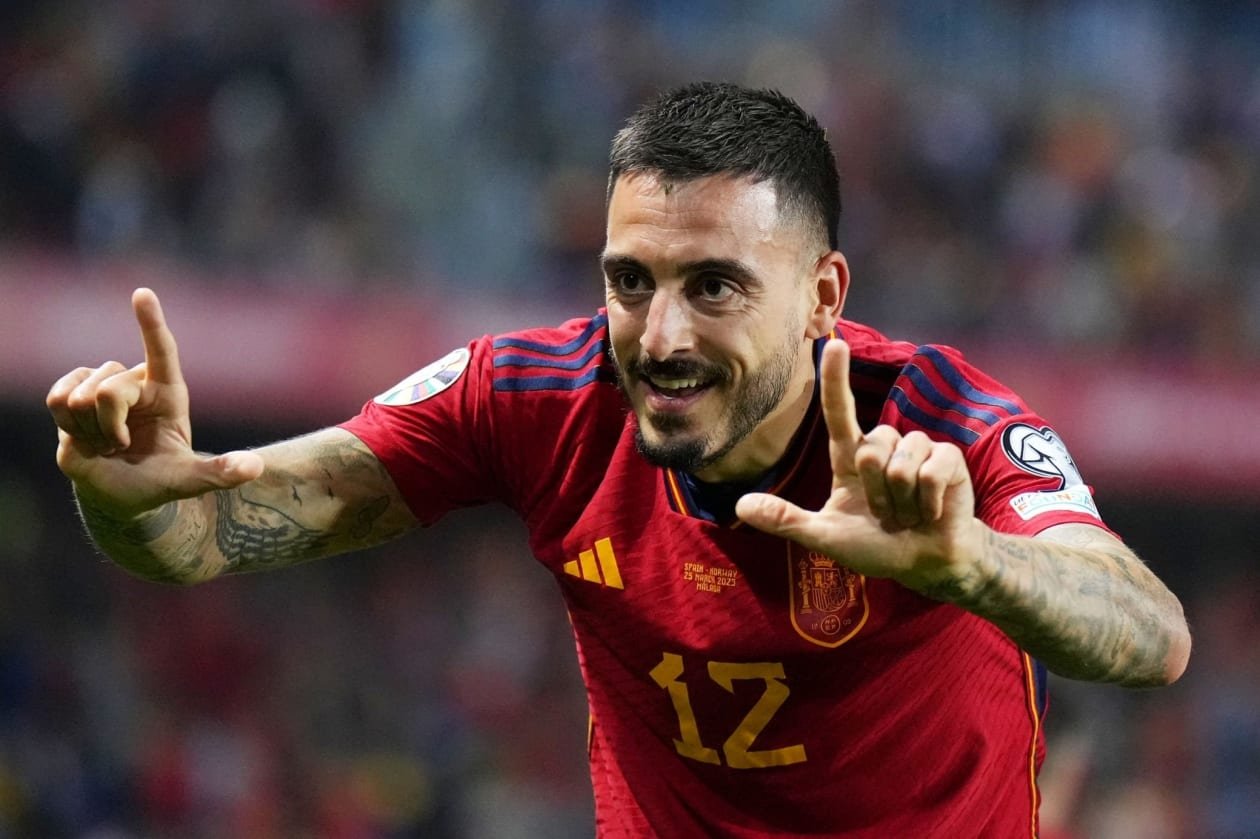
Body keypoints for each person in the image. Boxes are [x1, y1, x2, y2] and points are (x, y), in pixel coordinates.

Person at [47, 82, 1190, 837]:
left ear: (822, 296)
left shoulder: (940, 421)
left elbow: (1150, 631)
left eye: (716, 286)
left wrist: (974, 562)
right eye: (630, 280)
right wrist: (122, 500)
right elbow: (200, 532)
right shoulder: (534, 397)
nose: (661, 335)